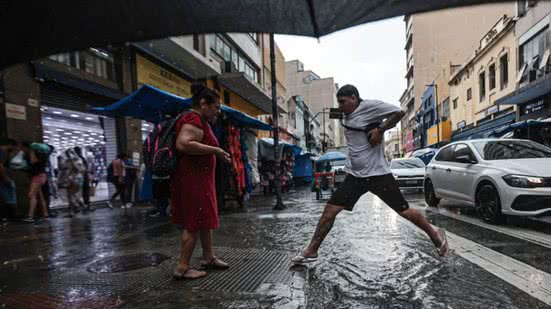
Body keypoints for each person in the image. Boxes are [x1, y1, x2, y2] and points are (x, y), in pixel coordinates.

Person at [292, 84, 448, 265]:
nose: (340, 106)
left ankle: (434, 233)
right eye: (338, 103)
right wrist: (318, 119)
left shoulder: (371, 107)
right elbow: (329, 115)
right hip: (355, 176)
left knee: (404, 211)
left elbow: (399, 112)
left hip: (378, 174)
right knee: (329, 211)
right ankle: (312, 250)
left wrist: (380, 130)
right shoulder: (343, 113)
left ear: (354, 98)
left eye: (343, 102)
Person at [171, 83, 232, 279]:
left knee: (204, 221)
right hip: (193, 181)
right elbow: (183, 143)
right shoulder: (193, 118)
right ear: (203, 104)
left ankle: (208, 256)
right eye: (216, 107)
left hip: (201, 180)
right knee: (194, 223)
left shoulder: (201, 120)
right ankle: (182, 267)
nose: (218, 112)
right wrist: (215, 150)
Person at [22, 145, 50, 223]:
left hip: (37, 177)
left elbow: (32, 161)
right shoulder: (44, 156)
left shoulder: (37, 156)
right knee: (41, 196)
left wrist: (31, 153)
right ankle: (45, 214)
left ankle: (30, 216)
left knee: (31, 195)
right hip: (42, 176)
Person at [58, 149, 86, 217]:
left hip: (74, 179)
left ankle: (75, 208)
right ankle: (78, 206)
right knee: (72, 194)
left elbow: (76, 169)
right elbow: (62, 168)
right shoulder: (78, 160)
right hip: (77, 179)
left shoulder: (74, 161)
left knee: (71, 195)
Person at [0, 138, 18, 221]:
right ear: (10, 145)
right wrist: (5, 177)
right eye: (14, 148)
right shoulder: (3, 151)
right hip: (2, 179)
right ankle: (9, 216)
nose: (14, 150)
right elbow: (1, 165)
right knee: (8, 197)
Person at [74, 147, 93, 212]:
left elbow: (85, 168)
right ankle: (85, 206)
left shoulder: (76, 159)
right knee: (84, 193)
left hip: (80, 178)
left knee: (79, 193)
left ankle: (80, 207)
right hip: (82, 178)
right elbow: (86, 168)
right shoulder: (80, 158)